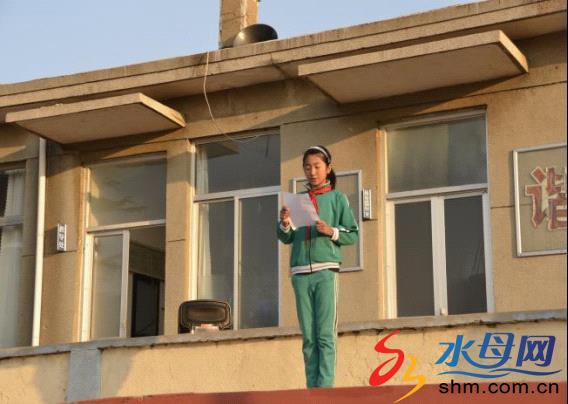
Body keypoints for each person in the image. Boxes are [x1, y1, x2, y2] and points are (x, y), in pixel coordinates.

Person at [277, 145, 359, 388]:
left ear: (328, 168)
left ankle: (325, 391)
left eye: (317, 166)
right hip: (300, 273)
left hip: (326, 272)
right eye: (307, 167)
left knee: (325, 335)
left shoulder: (337, 198)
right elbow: (287, 238)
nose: (312, 172)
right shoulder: (297, 201)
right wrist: (285, 223)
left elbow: (353, 234)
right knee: (309, 338)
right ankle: (312, 391)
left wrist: (331, 231)